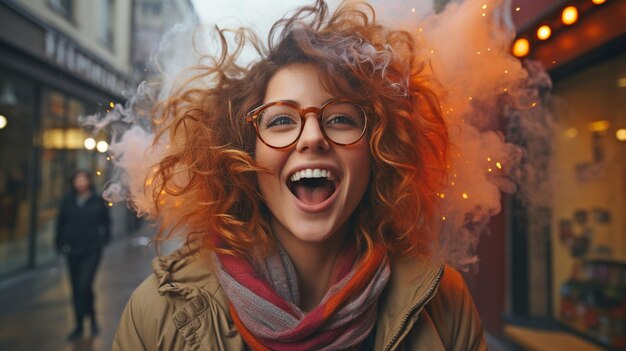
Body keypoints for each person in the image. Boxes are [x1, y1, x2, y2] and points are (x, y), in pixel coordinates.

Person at [113, 1, 486, 349]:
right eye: (281, 120)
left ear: (377, 151)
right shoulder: (156, 314)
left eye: (340, 118)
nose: (312, 138)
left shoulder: (446, 303)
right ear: (244, 154)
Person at [55, 170, 111, 340]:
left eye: (83, 179)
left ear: (88, 181)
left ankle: (92, 320)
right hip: (72, 250)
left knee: (83, 284)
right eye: (77, 180)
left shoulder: (97, 200)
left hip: (92, 251)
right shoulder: (67, 201)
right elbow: (60, 223)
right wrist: (59, 244)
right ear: (73, 182)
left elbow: (107, 223)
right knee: (76, 289)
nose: (80, 183)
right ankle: (80, 324)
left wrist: (102, 240)